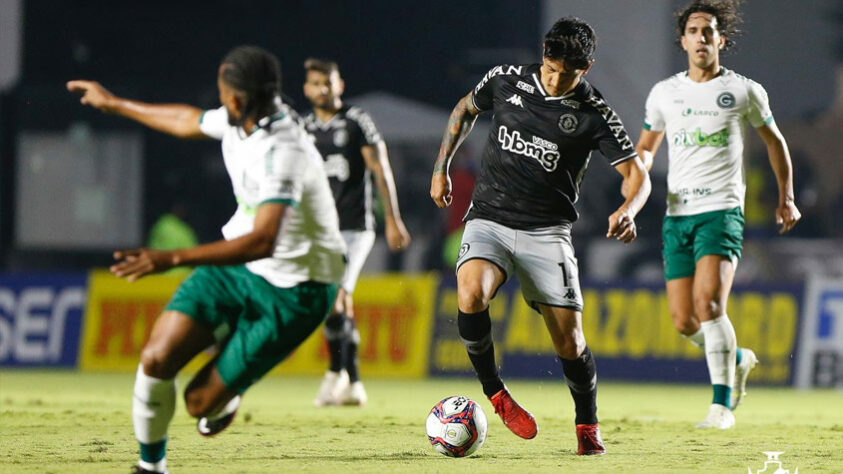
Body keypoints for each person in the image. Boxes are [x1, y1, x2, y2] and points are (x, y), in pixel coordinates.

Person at [67, 45, 346, 473]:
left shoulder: (285, 149)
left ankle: (226, 392)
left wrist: (172, 257)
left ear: (235, 99)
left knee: (198, 403)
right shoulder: (241, 118)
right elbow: (186, 121)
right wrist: (115, 104)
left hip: (297, 290)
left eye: (221, 95)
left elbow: (263, 241)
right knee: (156, 359)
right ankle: (150, 466)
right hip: (236, 269)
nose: (218, 103)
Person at [430, 17, 651, 455]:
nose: (552, 80)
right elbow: (463, 110)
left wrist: (628, 209)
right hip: (489, 218)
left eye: (564, 74)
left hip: (547, 232)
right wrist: (442, 168)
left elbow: (635, 174)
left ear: (584, 68)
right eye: (549, 68)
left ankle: (587, 427)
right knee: (471, 294)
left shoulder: (593, 112)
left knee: (569, 340)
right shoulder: (507, 80)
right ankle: (496, 393)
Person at [635, 0, 800, 429]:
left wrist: (787, 197)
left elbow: (774, 142)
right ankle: (738, 357)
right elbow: (644, 153)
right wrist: (630, 199)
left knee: (709, 304)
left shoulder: (744, 90)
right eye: (694, 30)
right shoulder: (664, 93)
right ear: (684, 40)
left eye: (709, 31)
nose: (702, 38)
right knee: (683, 320)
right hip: (677, 215)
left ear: (720, 40)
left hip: (722, 212)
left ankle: (721, 406)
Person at [302, 58, 411, 407]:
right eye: (316, 83)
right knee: (339, 303)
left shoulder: (356, 121)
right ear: (307, 88)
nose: (323, 88)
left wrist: (393, 218)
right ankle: (355, 382)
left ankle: (335, 375)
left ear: (340, 84)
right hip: (317, 231)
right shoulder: (302, 128)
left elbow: (381, 168)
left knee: (335, 295)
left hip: (354, 227)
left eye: (328, 82)